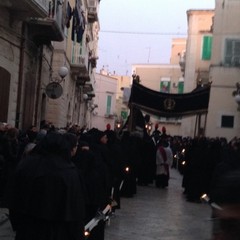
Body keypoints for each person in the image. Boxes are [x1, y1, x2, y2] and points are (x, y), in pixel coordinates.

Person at [9, 132, 85, 240]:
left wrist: (17, 224)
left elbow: (14, 198)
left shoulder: (26, 165)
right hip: (57, 231)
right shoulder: (69, 172)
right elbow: (75, 210)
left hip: (27, 229)